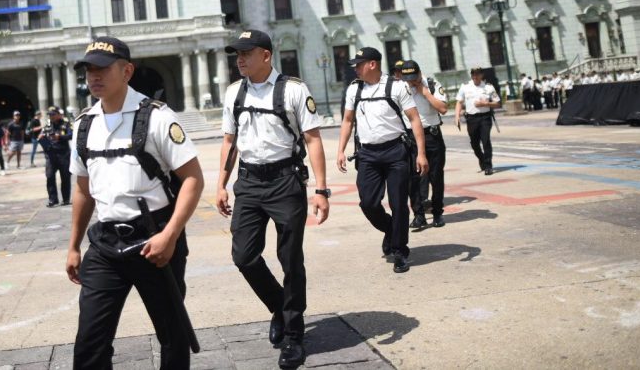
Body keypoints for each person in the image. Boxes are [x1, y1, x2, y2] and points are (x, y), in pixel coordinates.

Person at [66, 36, 204, 369]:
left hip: (156, 239)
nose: (94, 77)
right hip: (105, 245)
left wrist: (169, 236)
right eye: (88, 71)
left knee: (172, 335)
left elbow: (193, 179)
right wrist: (73, 246)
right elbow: (82, 191)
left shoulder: (157, 118)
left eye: (102, 69)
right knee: (90, 342)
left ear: (127, 71)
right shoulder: (83, 125)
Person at [216, 29, 330, 369]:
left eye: (246, 53)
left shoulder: (293, 90)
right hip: (249, 181)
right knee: (244, 256)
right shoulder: (234, 93)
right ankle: (279, 307)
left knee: (290, 259)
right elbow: (229, 141)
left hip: (285, 181)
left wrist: (322, 190)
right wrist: (220, 184)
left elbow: (312, 139)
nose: (239, 58)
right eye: (236, 52)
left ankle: (294, 335)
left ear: (265, 55)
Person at [337, 47, 428, 275]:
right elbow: (347, 121)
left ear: (372, 64)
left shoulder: (396, 87)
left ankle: (399, 251)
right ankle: (390, 229)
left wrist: (421, 153)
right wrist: (340, 150)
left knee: (398, 203)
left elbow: (414, 119)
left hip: (395, 152)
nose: (355, 68)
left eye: (359, 64)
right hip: (367, 154)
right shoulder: (354, 90)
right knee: (368, 203)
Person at [398, 61, 448, 229]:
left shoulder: (432, 84)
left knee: (436, 177)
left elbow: (443, 108)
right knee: (413, 178)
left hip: (432, 136)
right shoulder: (401, 88)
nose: (412, 82)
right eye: (408, 79)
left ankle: (437, 213)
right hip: (411, 138)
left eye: (414, 78)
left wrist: (425, 93)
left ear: (420, 73)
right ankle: (419, 215)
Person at [454, 67, 501, 175]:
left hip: (485, 118)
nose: (475, 76)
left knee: (485, 140)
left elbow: (497, 103)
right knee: (474, 143)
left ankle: (488, 166)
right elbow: (459, 102)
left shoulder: (488, 87)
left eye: (477, 74)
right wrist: (456, 116)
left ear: (482, 75)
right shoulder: (465, 87)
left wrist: (485, 104)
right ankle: (482, 159)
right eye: (473, 74)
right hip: (471, 119)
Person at [43, 106, 72, 207]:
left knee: (65, 177)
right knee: (50, 176)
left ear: (59, 114)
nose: (51, 116)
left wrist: (60, 137)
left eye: (53, 114)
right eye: (50, 115)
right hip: (50, 155)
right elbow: (43, 133)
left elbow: (71, 135)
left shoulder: (66, 123)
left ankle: (66, 199)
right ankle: (53, 199)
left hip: (63, 154)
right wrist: (41, 137)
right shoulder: (48, 124)